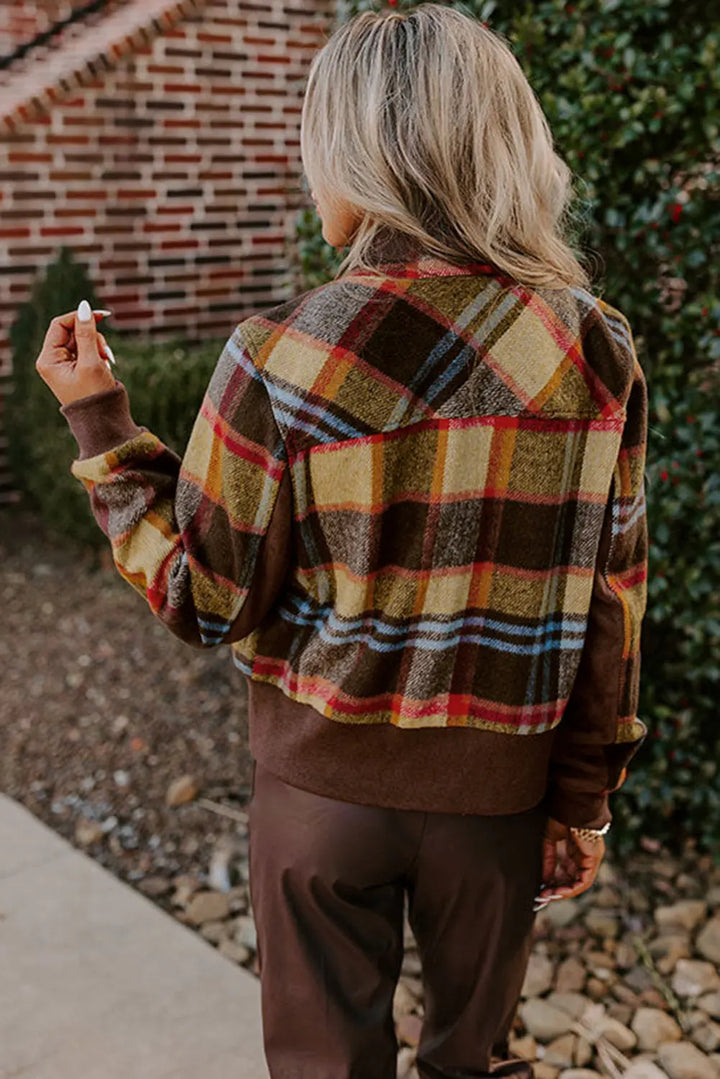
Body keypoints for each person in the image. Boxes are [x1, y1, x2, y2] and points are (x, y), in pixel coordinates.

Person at [36, 4, 649, 1077]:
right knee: (473, 1061)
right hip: (498, 801)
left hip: (320, 803)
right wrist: (584, 800)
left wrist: (102, 422)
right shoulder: (597, 350)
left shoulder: (279, 353)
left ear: (364, 159)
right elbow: (614, 603)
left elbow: (205, 596)